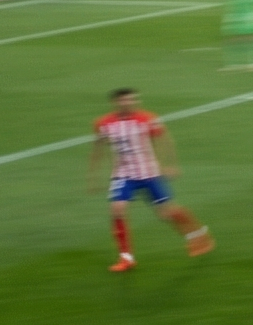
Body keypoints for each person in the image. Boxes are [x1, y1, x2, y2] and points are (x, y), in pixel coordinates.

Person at [88, 87, 214, 272]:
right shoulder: (104, 123)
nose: (130, 103)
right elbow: (98, 147)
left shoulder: (147, 119)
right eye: (125, 100)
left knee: (167, 213)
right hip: (123, 175)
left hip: (150, 174)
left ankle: (197, 234)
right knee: (117, 210)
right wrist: (93, 176)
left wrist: (170, 164)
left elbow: (164, 140)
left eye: (133, 99)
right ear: (116, 102)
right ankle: (126, 257)